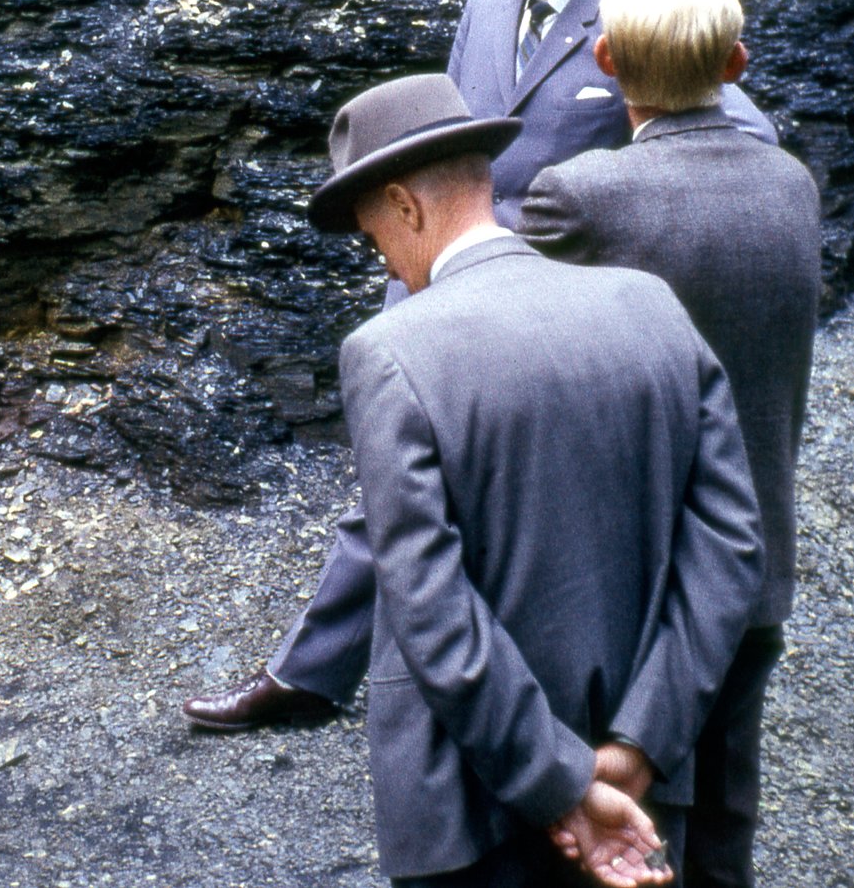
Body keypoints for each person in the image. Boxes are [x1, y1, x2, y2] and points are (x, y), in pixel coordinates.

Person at [184, 0, 774, 730]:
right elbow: (448, 154)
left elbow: (731, 132)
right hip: (444, 293)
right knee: (398, 485)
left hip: (558, 320)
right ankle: (315, 676)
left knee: (478, 504)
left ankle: (431, 686)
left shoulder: (638, 15)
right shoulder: (486, 9)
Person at [308, 73, 763, 886]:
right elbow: (729, 549)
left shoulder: (389, 349)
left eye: (372, 232)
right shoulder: (649, 303)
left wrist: (559, 781)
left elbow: (430, 604)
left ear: (404, 206)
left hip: (471, 808)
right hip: (647, 794)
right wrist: (636, 749)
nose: (382, 257)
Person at [521, 0, 821, 888]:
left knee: (621, 830)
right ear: (735, 69)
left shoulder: (582, 197)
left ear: (604, 64)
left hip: (628, 576)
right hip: (756, 558)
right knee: (725, 817)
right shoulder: (793, 185)